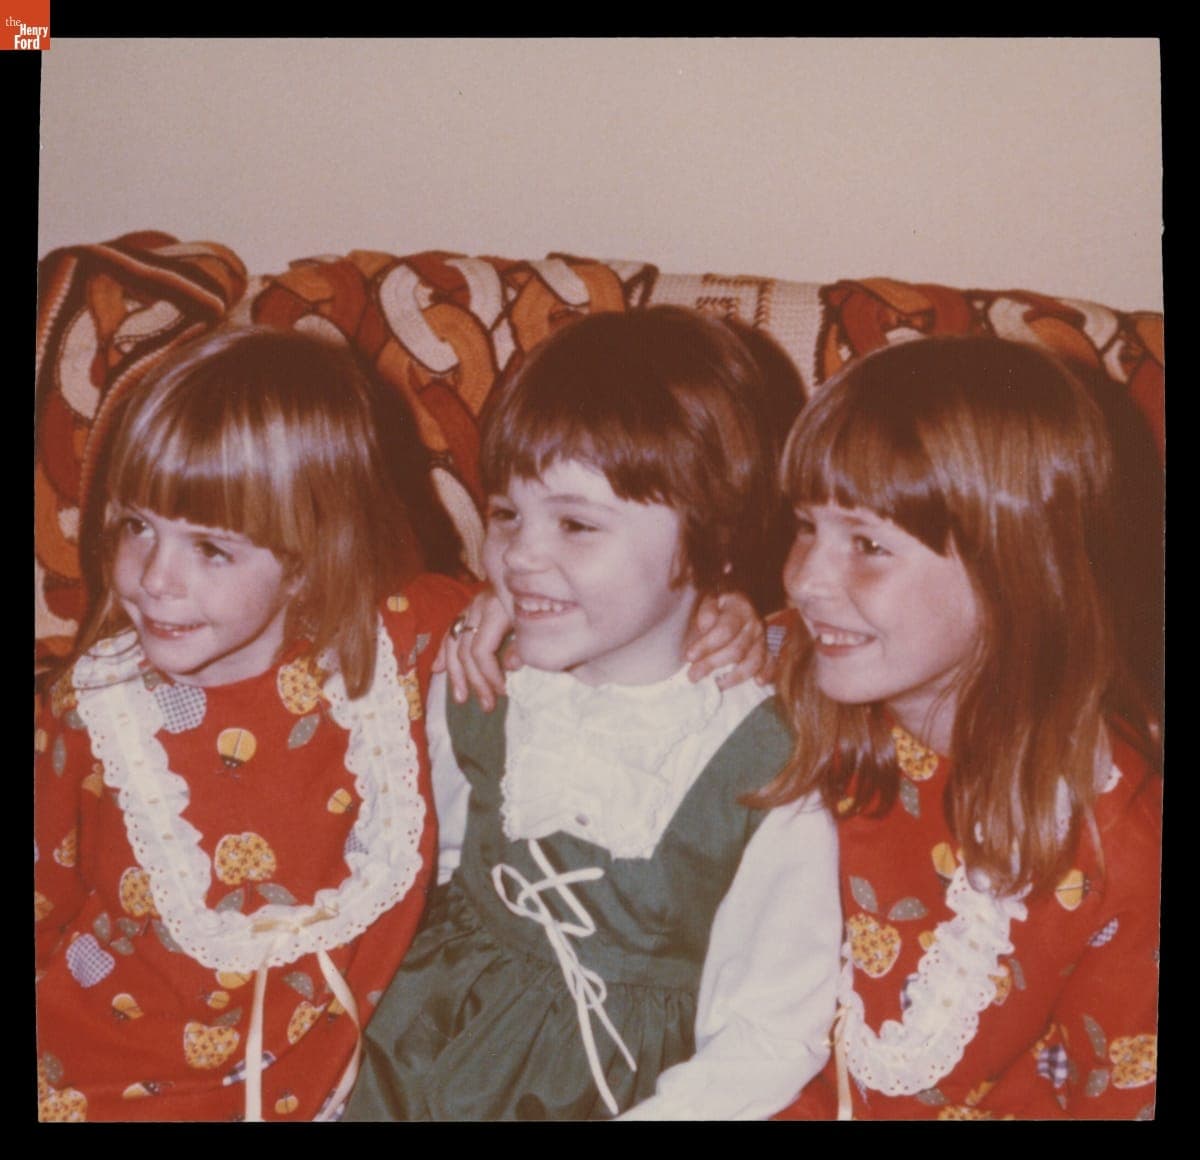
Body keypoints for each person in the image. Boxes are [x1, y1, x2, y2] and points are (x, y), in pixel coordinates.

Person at [344, 306, 840, 1121]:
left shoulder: (764, 758)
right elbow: (435, 867)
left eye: (576, 524)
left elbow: (769, 1030)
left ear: (712, 541)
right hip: (422, 1063)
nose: (520, 555)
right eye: (506, 514)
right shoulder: (481, 677)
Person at [33, 326, 476, 1122]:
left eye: (210, 547)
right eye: (137, 526)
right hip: (107, 1083)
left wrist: (725, 614)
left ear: (307, 553)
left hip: (325, 1085)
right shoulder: (89, 712)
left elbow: (548, 609)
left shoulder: (396, 634)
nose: (154, 578)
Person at [766, 335, 1161, 1120]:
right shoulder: (774, 686)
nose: (805, 577)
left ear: (1011, 570)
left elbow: (1116, 1092)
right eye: (807, 527)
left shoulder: (1116, 845)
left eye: (868, 545)